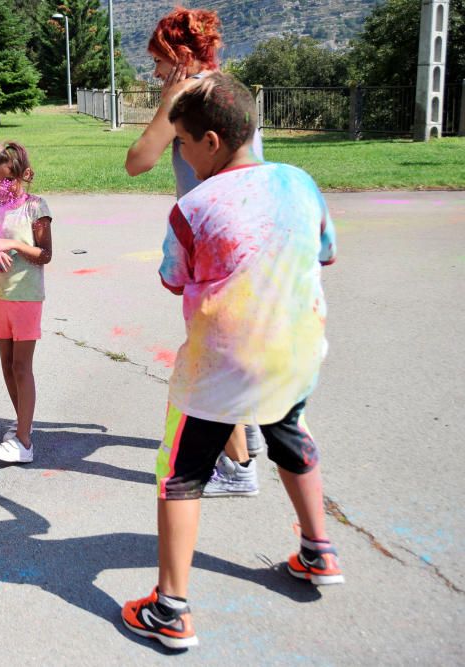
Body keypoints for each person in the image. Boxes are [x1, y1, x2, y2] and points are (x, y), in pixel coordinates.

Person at [120, 73, 342, 650]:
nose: (183, 157)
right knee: (290, 434)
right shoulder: (300, 181)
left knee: (179, 475)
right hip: (295, 352)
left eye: (184, 145)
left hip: (221, 369)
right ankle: (320, 551)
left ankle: (170, 609)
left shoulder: (193, 206)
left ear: (211, 142)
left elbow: (174, 279)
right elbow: (327, 250)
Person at [125, 6, 263, 498]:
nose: (156, 71)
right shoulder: (228, 88)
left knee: (212, 352)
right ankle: (249, 431)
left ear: (180, 56)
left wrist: (167, 101)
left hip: (213, 238)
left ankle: (239, 466)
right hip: (253, 230)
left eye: (159, 61)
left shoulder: (189, 96)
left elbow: (137, 161)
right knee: (237, 341)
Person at [0, 142, 52, 465]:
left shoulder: (36, 207)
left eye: (6, 179)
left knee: (22, 366)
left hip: (26, 296)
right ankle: (23, 423)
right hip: (1, 295)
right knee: (7, 365)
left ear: (23, 174)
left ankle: (24, 442)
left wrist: (9, 243)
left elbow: (45, 254)